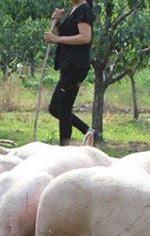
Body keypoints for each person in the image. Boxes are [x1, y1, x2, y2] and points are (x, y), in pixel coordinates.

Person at [44, 0, 102, 146]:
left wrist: (57, 39)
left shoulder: (84, 10)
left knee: (63, 109)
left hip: (75, 66)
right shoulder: (73, 10)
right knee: (55, 108)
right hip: (68, 66)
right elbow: (61, 36)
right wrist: (56, 22)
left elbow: (85, 37)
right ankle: (91, 133)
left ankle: (64, 148)